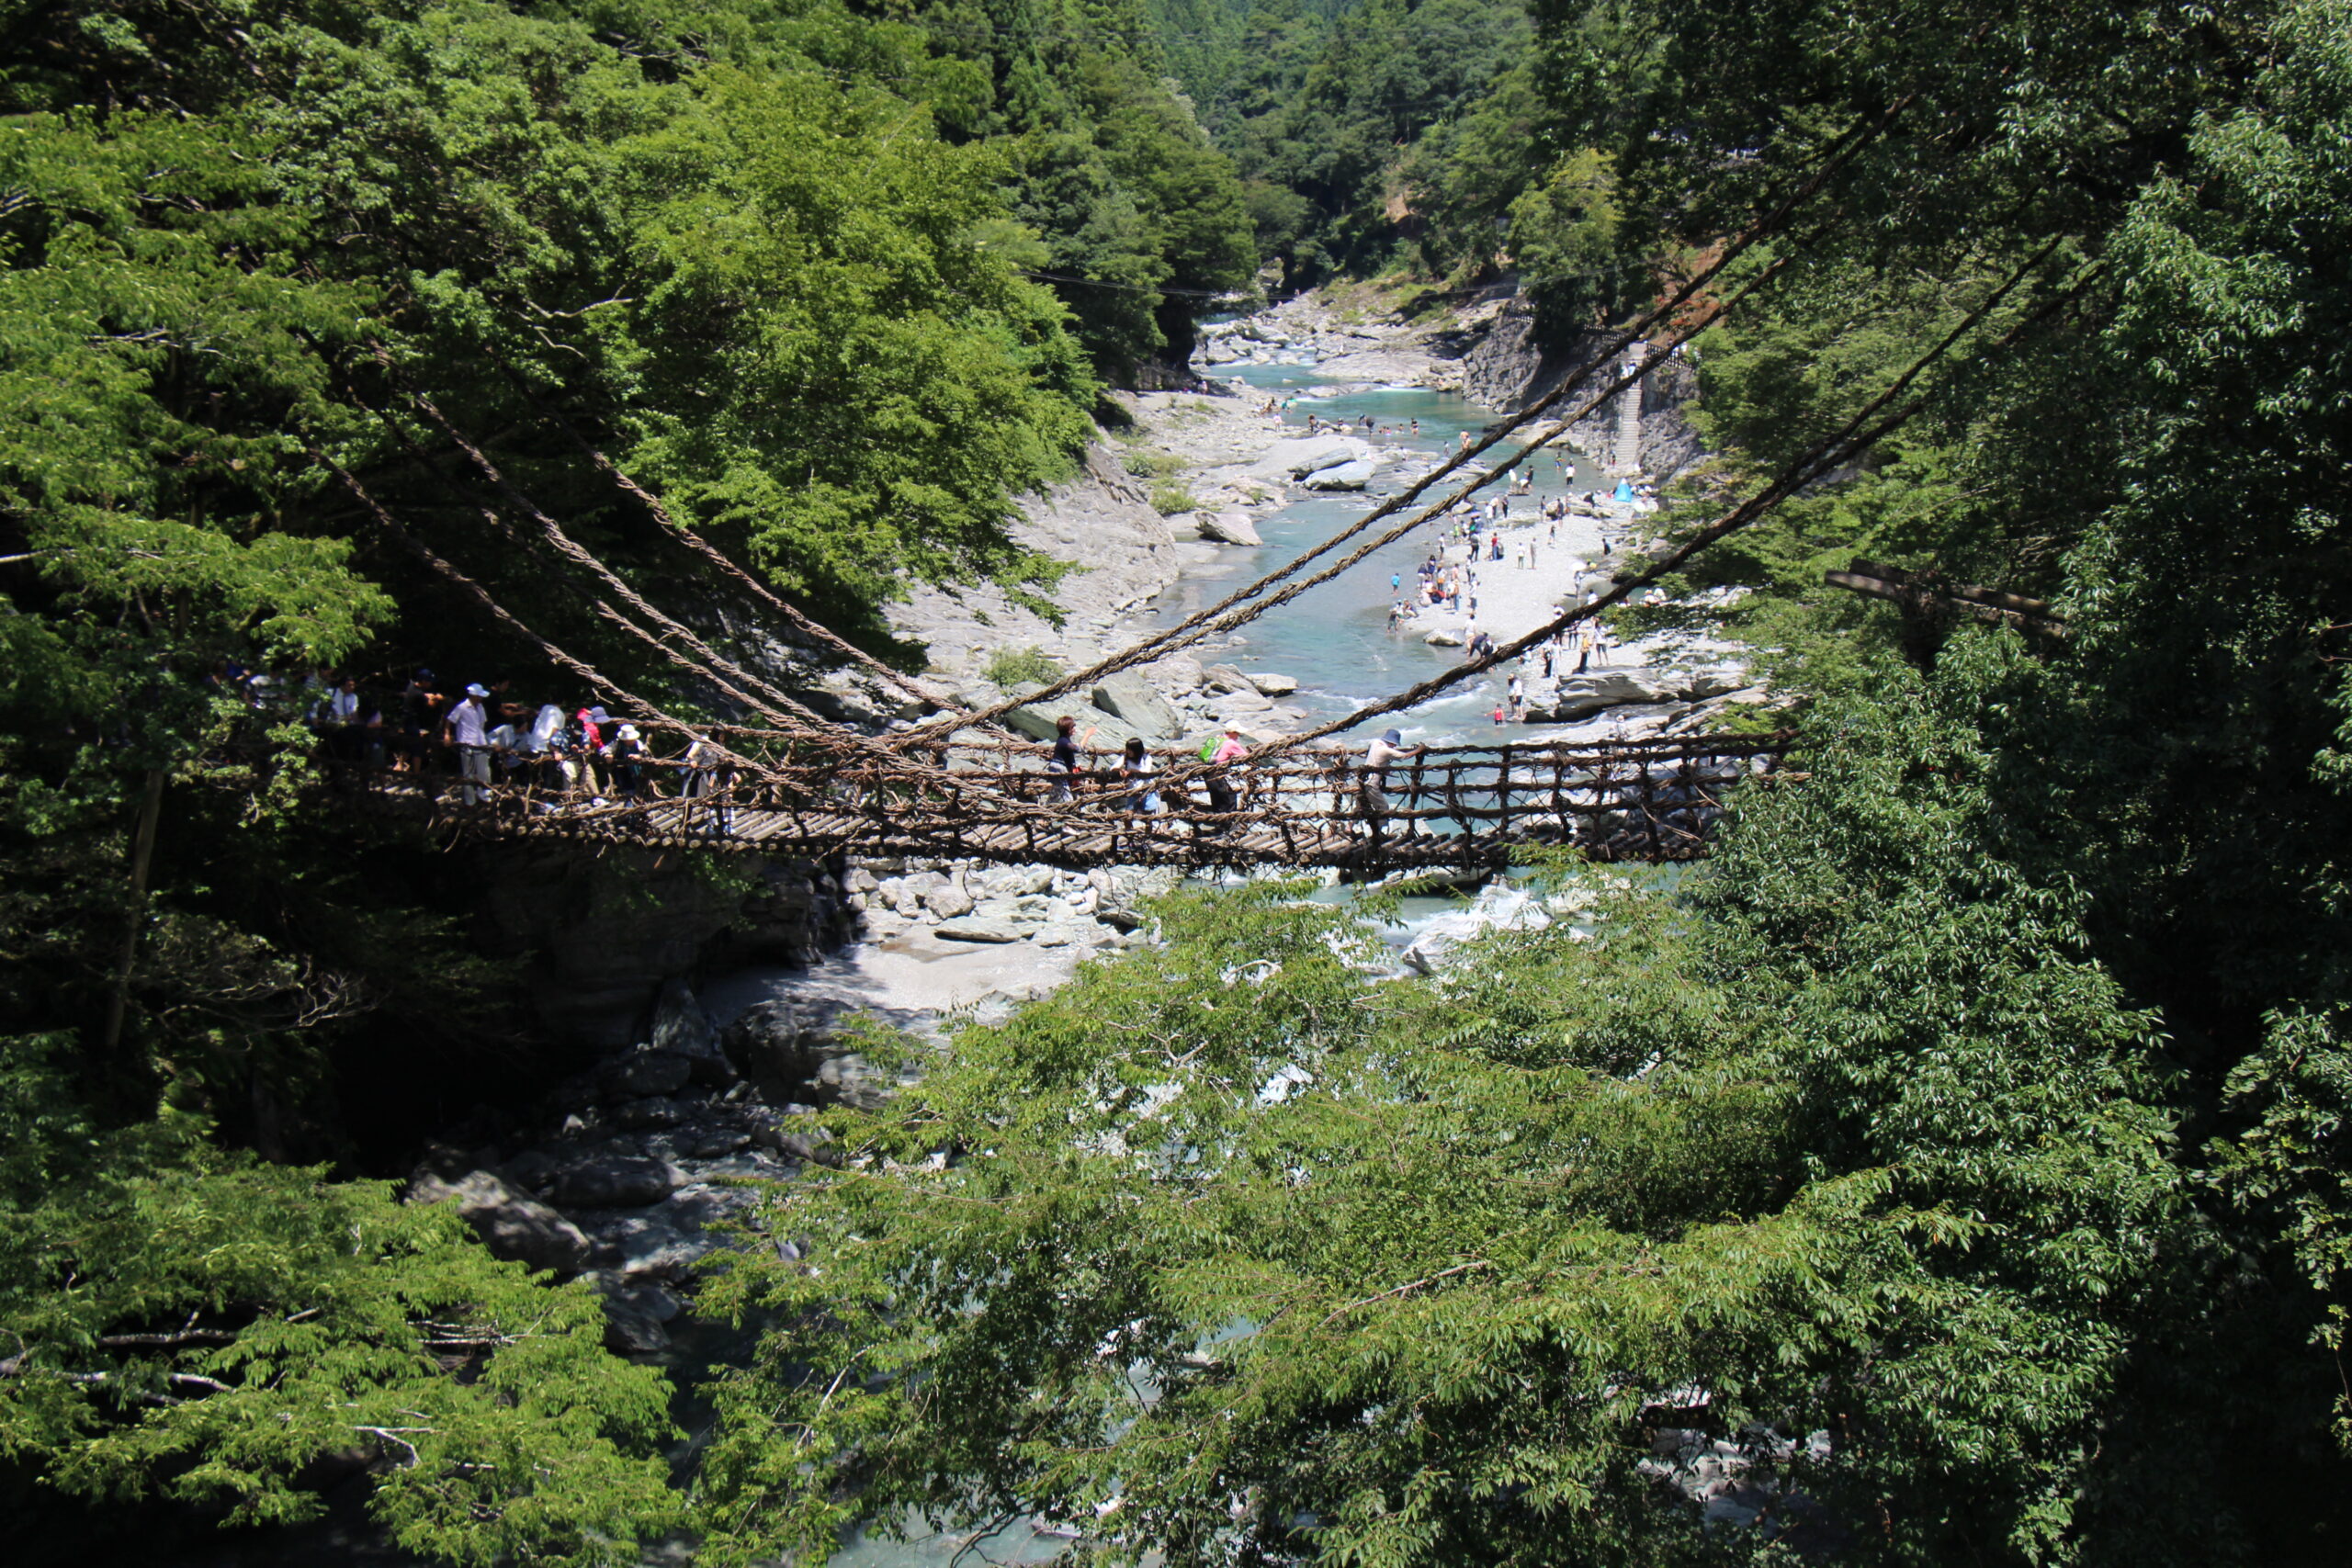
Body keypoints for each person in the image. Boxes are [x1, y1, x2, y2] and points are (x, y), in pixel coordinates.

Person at [1360, 728, 1419, 840]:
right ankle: (1378, 833)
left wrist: (1383, 768)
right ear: (1391, 742)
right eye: (1394, 745)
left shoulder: (1375, 743)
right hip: (1371, 783)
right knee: (1383, 807)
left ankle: (1349, 828)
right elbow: (1404, 756)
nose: (1394, 747)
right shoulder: (1385, 750)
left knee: (1359, 806)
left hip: (1362, 781)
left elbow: (1376, 760)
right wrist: (1419, 750)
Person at [443, 682, 492, 806]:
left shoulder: (480, 707)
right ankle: (470, 801)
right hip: (467, 743)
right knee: (468, 773)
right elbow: (449, 720)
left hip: (480, 743)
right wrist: (447, 735)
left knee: (484, 772)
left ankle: (485, 796)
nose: (481, 698)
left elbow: (482, 724)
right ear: (474, 696)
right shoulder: (462, 707)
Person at [1203, 725, 1247, 821]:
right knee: (1229, 798)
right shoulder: (1231, 743)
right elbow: (1246, 756)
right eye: (1237, 733)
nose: (1238, 736)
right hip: (1217, 773)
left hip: (1207, 772)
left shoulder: (1218, 738)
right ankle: (1229, 824)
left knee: (1217, 799)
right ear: (1232, 732)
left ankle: (1219, 823)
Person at [1120, 737, 1161, 818]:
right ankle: (1129, 830)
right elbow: (1114, 768)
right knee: (1127, 816)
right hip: (1133, 792)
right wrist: (1120, 771)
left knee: (1148, 818)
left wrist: (1132, 771)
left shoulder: (1147, 758)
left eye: (1130, 749)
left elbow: (1146, 773)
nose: (1128, 751)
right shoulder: (1126, 758)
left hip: (1147, 791)